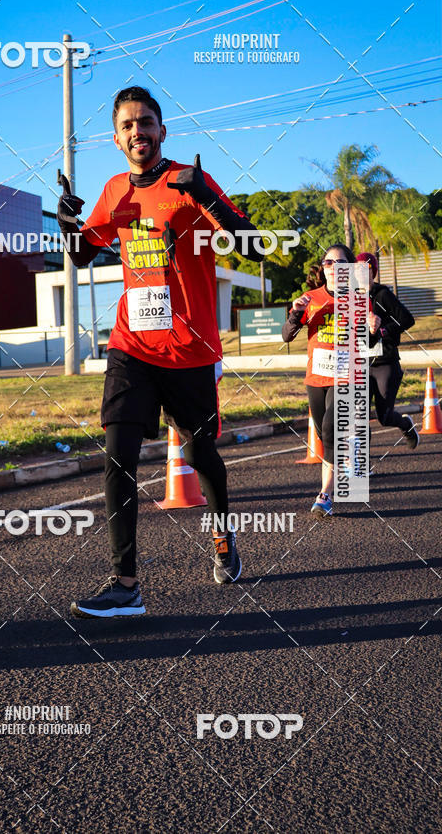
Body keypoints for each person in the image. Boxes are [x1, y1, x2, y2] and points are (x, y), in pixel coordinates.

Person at [57, 85, 263, 617]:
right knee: (117, 452)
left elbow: (252, 245)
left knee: (199, 454)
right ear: (117, 137)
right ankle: (126, 585)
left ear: (162, 130)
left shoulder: (187, 182)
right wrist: (68, 227)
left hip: (191, 348)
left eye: (145, 122)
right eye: (127, 125)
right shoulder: (113, 191)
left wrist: (207, 197)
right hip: (132, 345)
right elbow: (84, 257)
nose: (137, 132)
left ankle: (222, 535)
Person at [282, 243, 357, 517]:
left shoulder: (359, 299)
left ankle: (325, 493)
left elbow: (371, 340)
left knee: (329, 428)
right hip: (316, 377)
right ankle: (345, 455)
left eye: (340, 263)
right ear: (322, 268)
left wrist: (372, 326)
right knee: (324, 434)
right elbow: (287, 335)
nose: (334, 268)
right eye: (328, 263)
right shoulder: (310, 297)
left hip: (345, 376)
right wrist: (294, 314)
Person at [356, 252, 419, 450]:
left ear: (373, 271)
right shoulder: (350, 298)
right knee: (359, 415)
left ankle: (406, 424)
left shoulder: (383, 295)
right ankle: (362, 463)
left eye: (365, 269)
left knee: (384, 417)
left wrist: (383, 329)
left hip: (385, 363)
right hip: (360, 365)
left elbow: (407, 319)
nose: (360, 272)